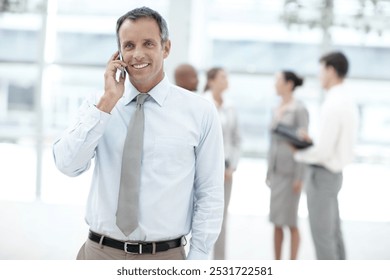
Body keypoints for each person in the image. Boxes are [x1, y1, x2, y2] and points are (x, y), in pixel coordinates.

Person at [52, 7, 224, 260]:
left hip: (165, 258)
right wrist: (107, 102)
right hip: (98, 254)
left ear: (165, 48)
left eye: (148, 43)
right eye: (129, 45)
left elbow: (209, 192)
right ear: (118, 53)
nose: (138, 54)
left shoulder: (200, 112)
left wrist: (197, 257)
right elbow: (67, 165)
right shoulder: (97, 105)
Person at [294, 51, 359, 259]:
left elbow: (323, 151)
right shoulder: (346, 99)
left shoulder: (333, 103)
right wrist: (312, 142)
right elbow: (330, 143)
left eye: (321, 70)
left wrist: (299, 153)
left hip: (322, 176)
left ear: (331, 70)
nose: (319, 75)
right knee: (333, 234)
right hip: (333, 174)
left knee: (323, 238)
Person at [266, 70, 309, 260]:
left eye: (278, 81)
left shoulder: (299, 109)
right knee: (276, 221)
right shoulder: (277, 107)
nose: (275, 84)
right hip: (276, 172)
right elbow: (273, 142)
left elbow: (304, 145)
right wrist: (269, 170)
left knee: (291, 222)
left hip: (292, 173)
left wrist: (300, 176)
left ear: (289, 84)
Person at [203, 67, 241, 260]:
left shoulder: (231, 106)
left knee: (221, 219)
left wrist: (232, 166)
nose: (227, 80)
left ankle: (219, 264)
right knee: (200, 218)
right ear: (211, 81)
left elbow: (236, 139)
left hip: (226, 172)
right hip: (204, 172)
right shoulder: (202, 102)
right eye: (223, 77)